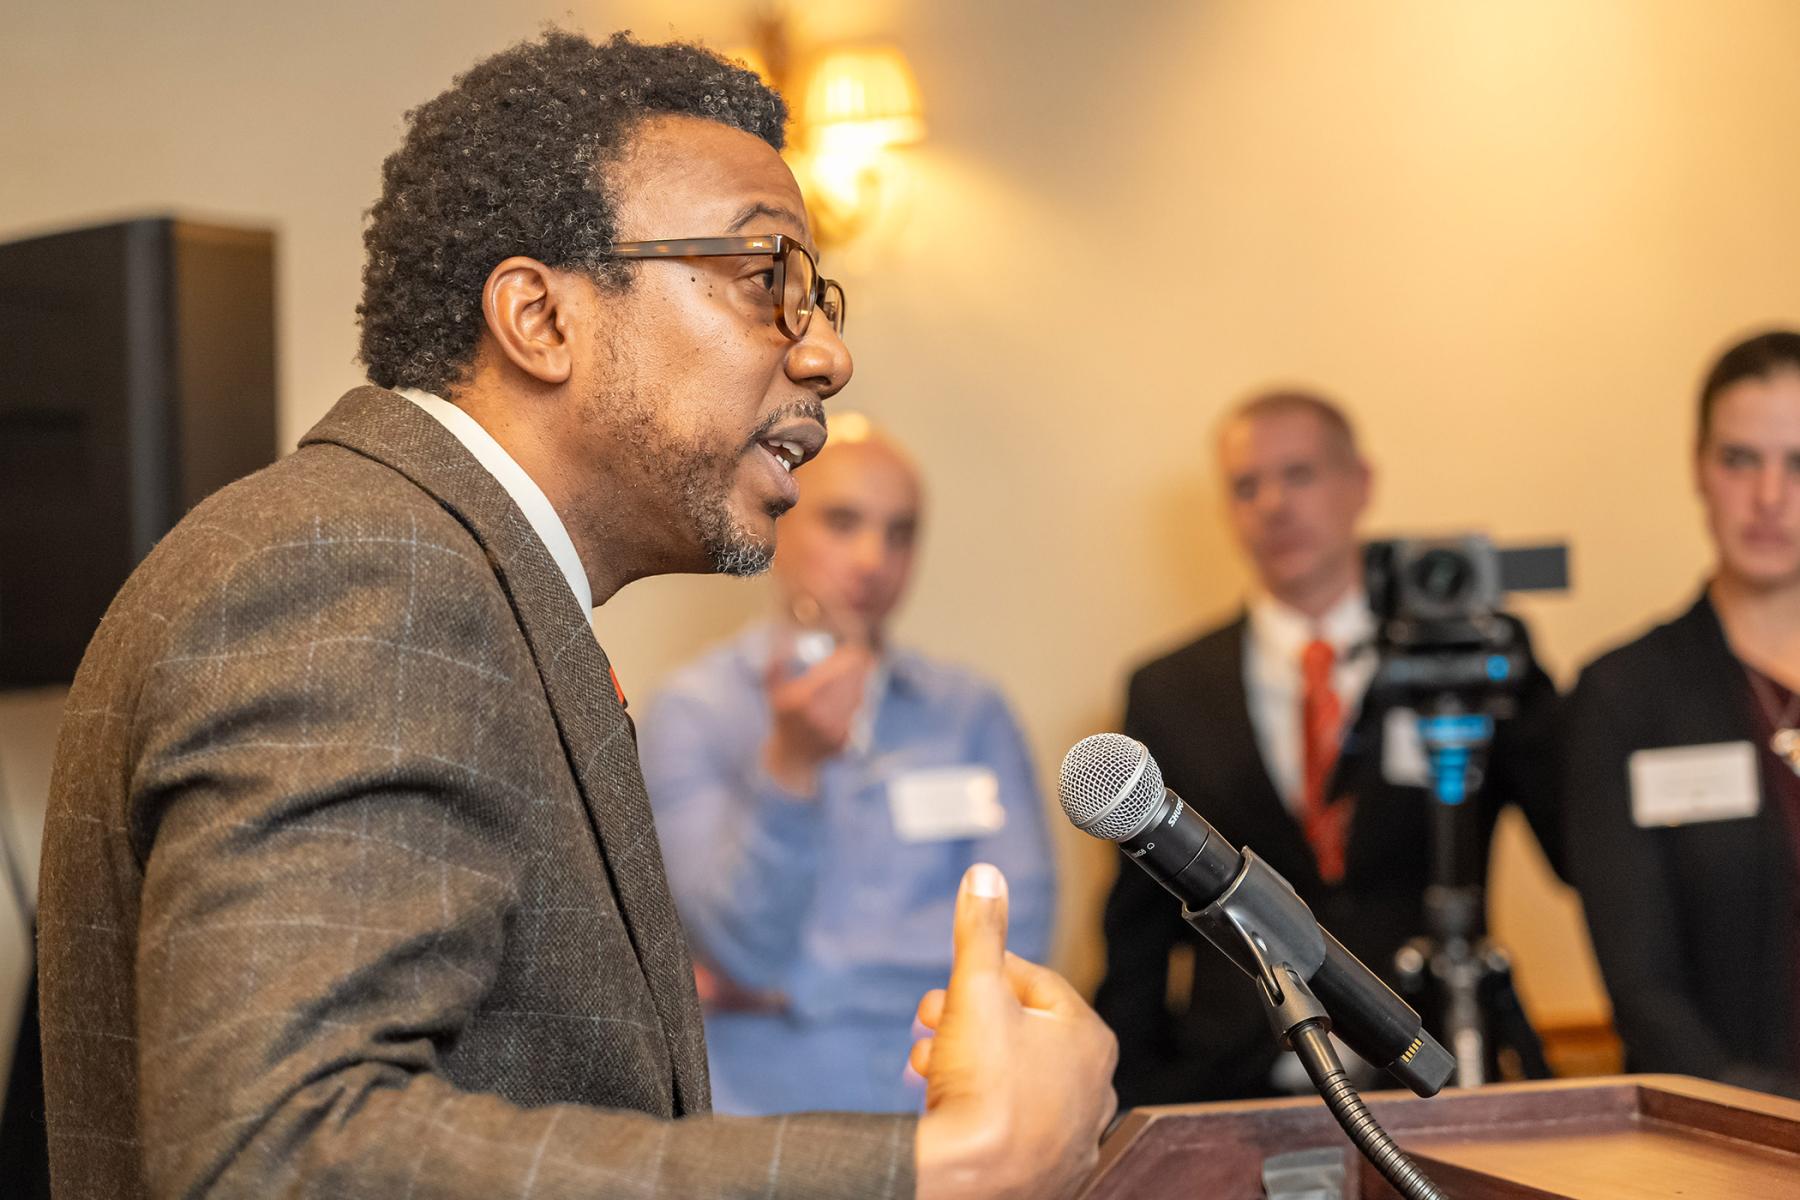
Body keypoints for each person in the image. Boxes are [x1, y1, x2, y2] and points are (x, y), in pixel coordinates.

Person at [35, 31, 1116, 1199]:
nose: (830, 355)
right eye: (769, 283)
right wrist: (942, 1169)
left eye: (821, 297)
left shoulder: (452, 573)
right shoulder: (361, 568)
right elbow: (284, 1154)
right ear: (540, 319)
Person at [1093, 388, 1561, 1105]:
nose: (1275, 504)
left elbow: (1575, 840)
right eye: (1247, 486)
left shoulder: (1468, 659)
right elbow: (1138, 933)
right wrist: (1132, 1100)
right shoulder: (1169, 689)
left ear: (1360, 484)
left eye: (1300, 474)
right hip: (1233, 1085)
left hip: (1435, 1068)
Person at [639, 423, 1054, 1115]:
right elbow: (740, 946)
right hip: (757, 1130)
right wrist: (790, 769)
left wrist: (795, 991)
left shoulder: (970, 713)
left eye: (900, 533)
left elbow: (1019, 947)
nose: (872, 559)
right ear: (778, 521)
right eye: (842, 522)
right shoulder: (693, 711)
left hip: (939, 1114)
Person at [1564, 330, 1800, 1099]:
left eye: (1799, 462)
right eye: (1741, 460)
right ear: (1699, 468)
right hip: (1722, 1136)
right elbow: (1644, 992)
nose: (1770, 497)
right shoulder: (1624, 695)